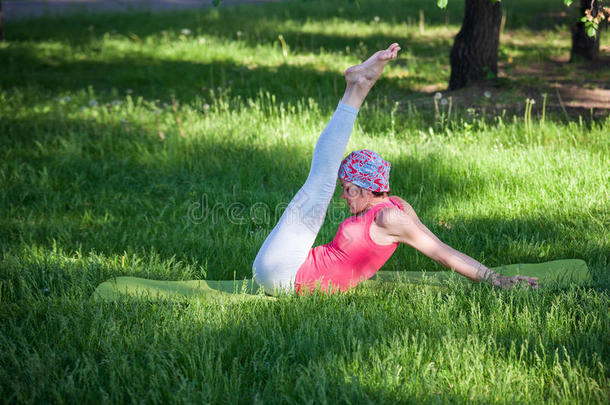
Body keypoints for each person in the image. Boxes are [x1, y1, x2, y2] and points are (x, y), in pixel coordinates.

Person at [252, 43, 538, 295]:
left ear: (367, 188)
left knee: (320, 181)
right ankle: (356, 86)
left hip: (286, 279)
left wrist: (499, 281)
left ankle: (358, 88)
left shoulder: (391, 217)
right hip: (288, 266)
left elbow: (442, 252)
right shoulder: (390, 206)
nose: (343, 197)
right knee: (321, 181)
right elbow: (438, 245)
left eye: (348, 189)